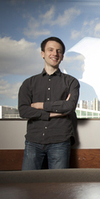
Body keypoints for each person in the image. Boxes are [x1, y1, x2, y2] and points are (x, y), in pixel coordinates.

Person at [18, 36, 80, 170]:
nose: (55, 54)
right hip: (33, 141)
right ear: (42, 54)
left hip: (60, 141)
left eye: (58, 51)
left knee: (59, 187)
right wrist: (54, 113)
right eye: (50, 50)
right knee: (27, 185)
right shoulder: (28, 83)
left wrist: (40, 105)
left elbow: (69, 107)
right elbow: (23, 111)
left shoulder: (71, 82)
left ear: (62, 56)